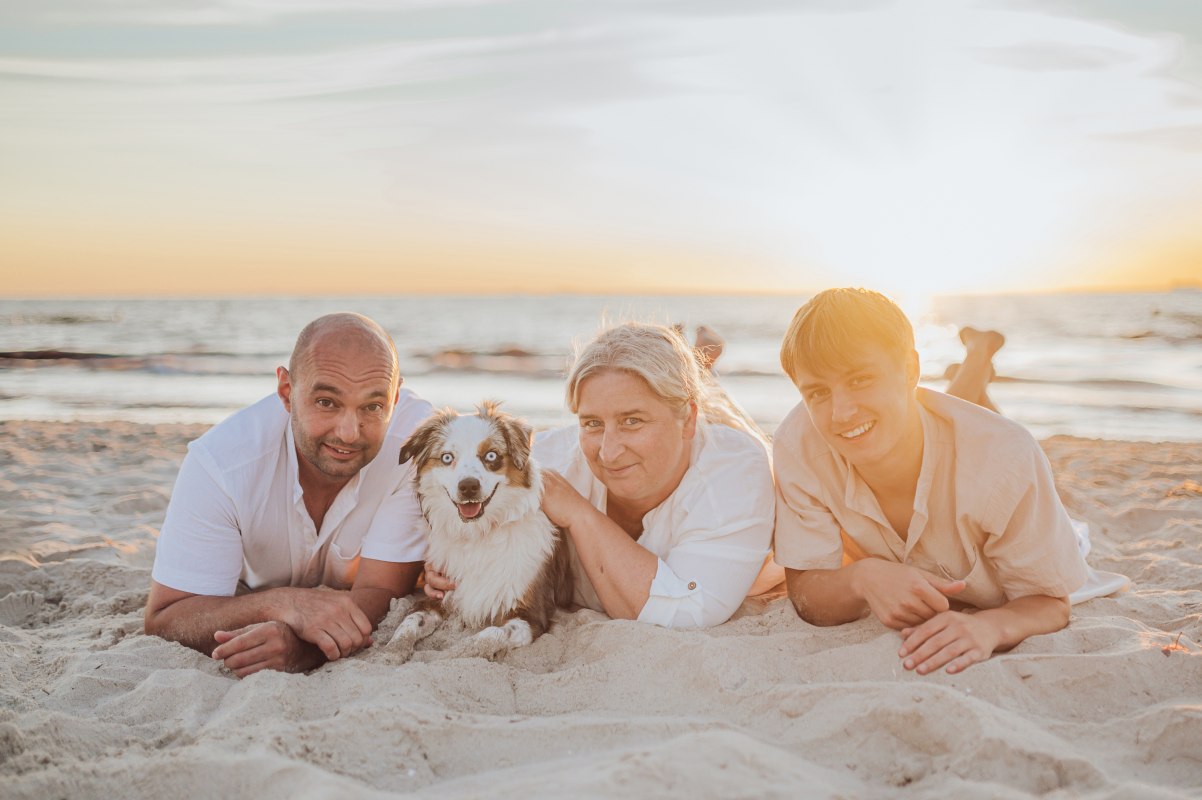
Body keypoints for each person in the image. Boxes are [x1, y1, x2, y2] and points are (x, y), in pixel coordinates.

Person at [773, 288, 1128, 675]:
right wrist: (862, 577)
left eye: (860, 379)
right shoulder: (798, 444)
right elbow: (806, 592)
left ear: (911, 369)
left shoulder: (1006, 458)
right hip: (952, 437)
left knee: (973, 441)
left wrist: (989, 626)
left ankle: (978, 354)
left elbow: (1050, 602)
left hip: (1047, 531)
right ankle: (978, 357)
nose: (840, 413)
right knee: (931, 421)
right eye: (818, 392)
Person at [426, 322, 779, 628]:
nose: (608, 453)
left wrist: (578, 513)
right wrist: (445, 567)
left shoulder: (735, 472)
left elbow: (686, 612)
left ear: (687, 420)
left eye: (632, 421)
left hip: (711, 434)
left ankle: (703, 360)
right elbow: (454, 519)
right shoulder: (545, 462)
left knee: (720, 406)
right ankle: (694, 358)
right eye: (592, 423)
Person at [144, 313, 433, 677]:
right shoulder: (221, 463)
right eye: (327, 402)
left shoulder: (419, 446)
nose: (348, 433)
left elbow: (381, 588)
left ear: (394, 397)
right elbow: (165, 618)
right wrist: (285, 604)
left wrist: (303, 647)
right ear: (286, 391)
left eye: (373, 407)